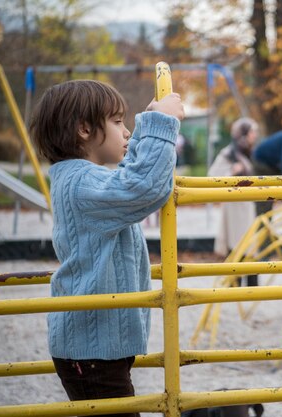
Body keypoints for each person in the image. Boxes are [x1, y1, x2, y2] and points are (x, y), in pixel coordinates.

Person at [30, 79, 184, 417]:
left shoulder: (82, 177)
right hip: (91, 351)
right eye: (117, 122)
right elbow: (142, 187)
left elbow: (131, 177)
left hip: (96, 346)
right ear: (85, 129)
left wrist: (149, 124)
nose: (126, 131)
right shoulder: (82, 183)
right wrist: (162, 123)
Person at [208, 117, 260, 287]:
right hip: (234, 205)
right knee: (237, 243)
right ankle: (235, 283)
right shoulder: (229, 153)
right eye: (252, 131)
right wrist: (232, 171)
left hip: (247, 204)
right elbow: (213, 175)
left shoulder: (249, 152)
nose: (255, 135)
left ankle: (252, 283)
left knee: (250, 243)